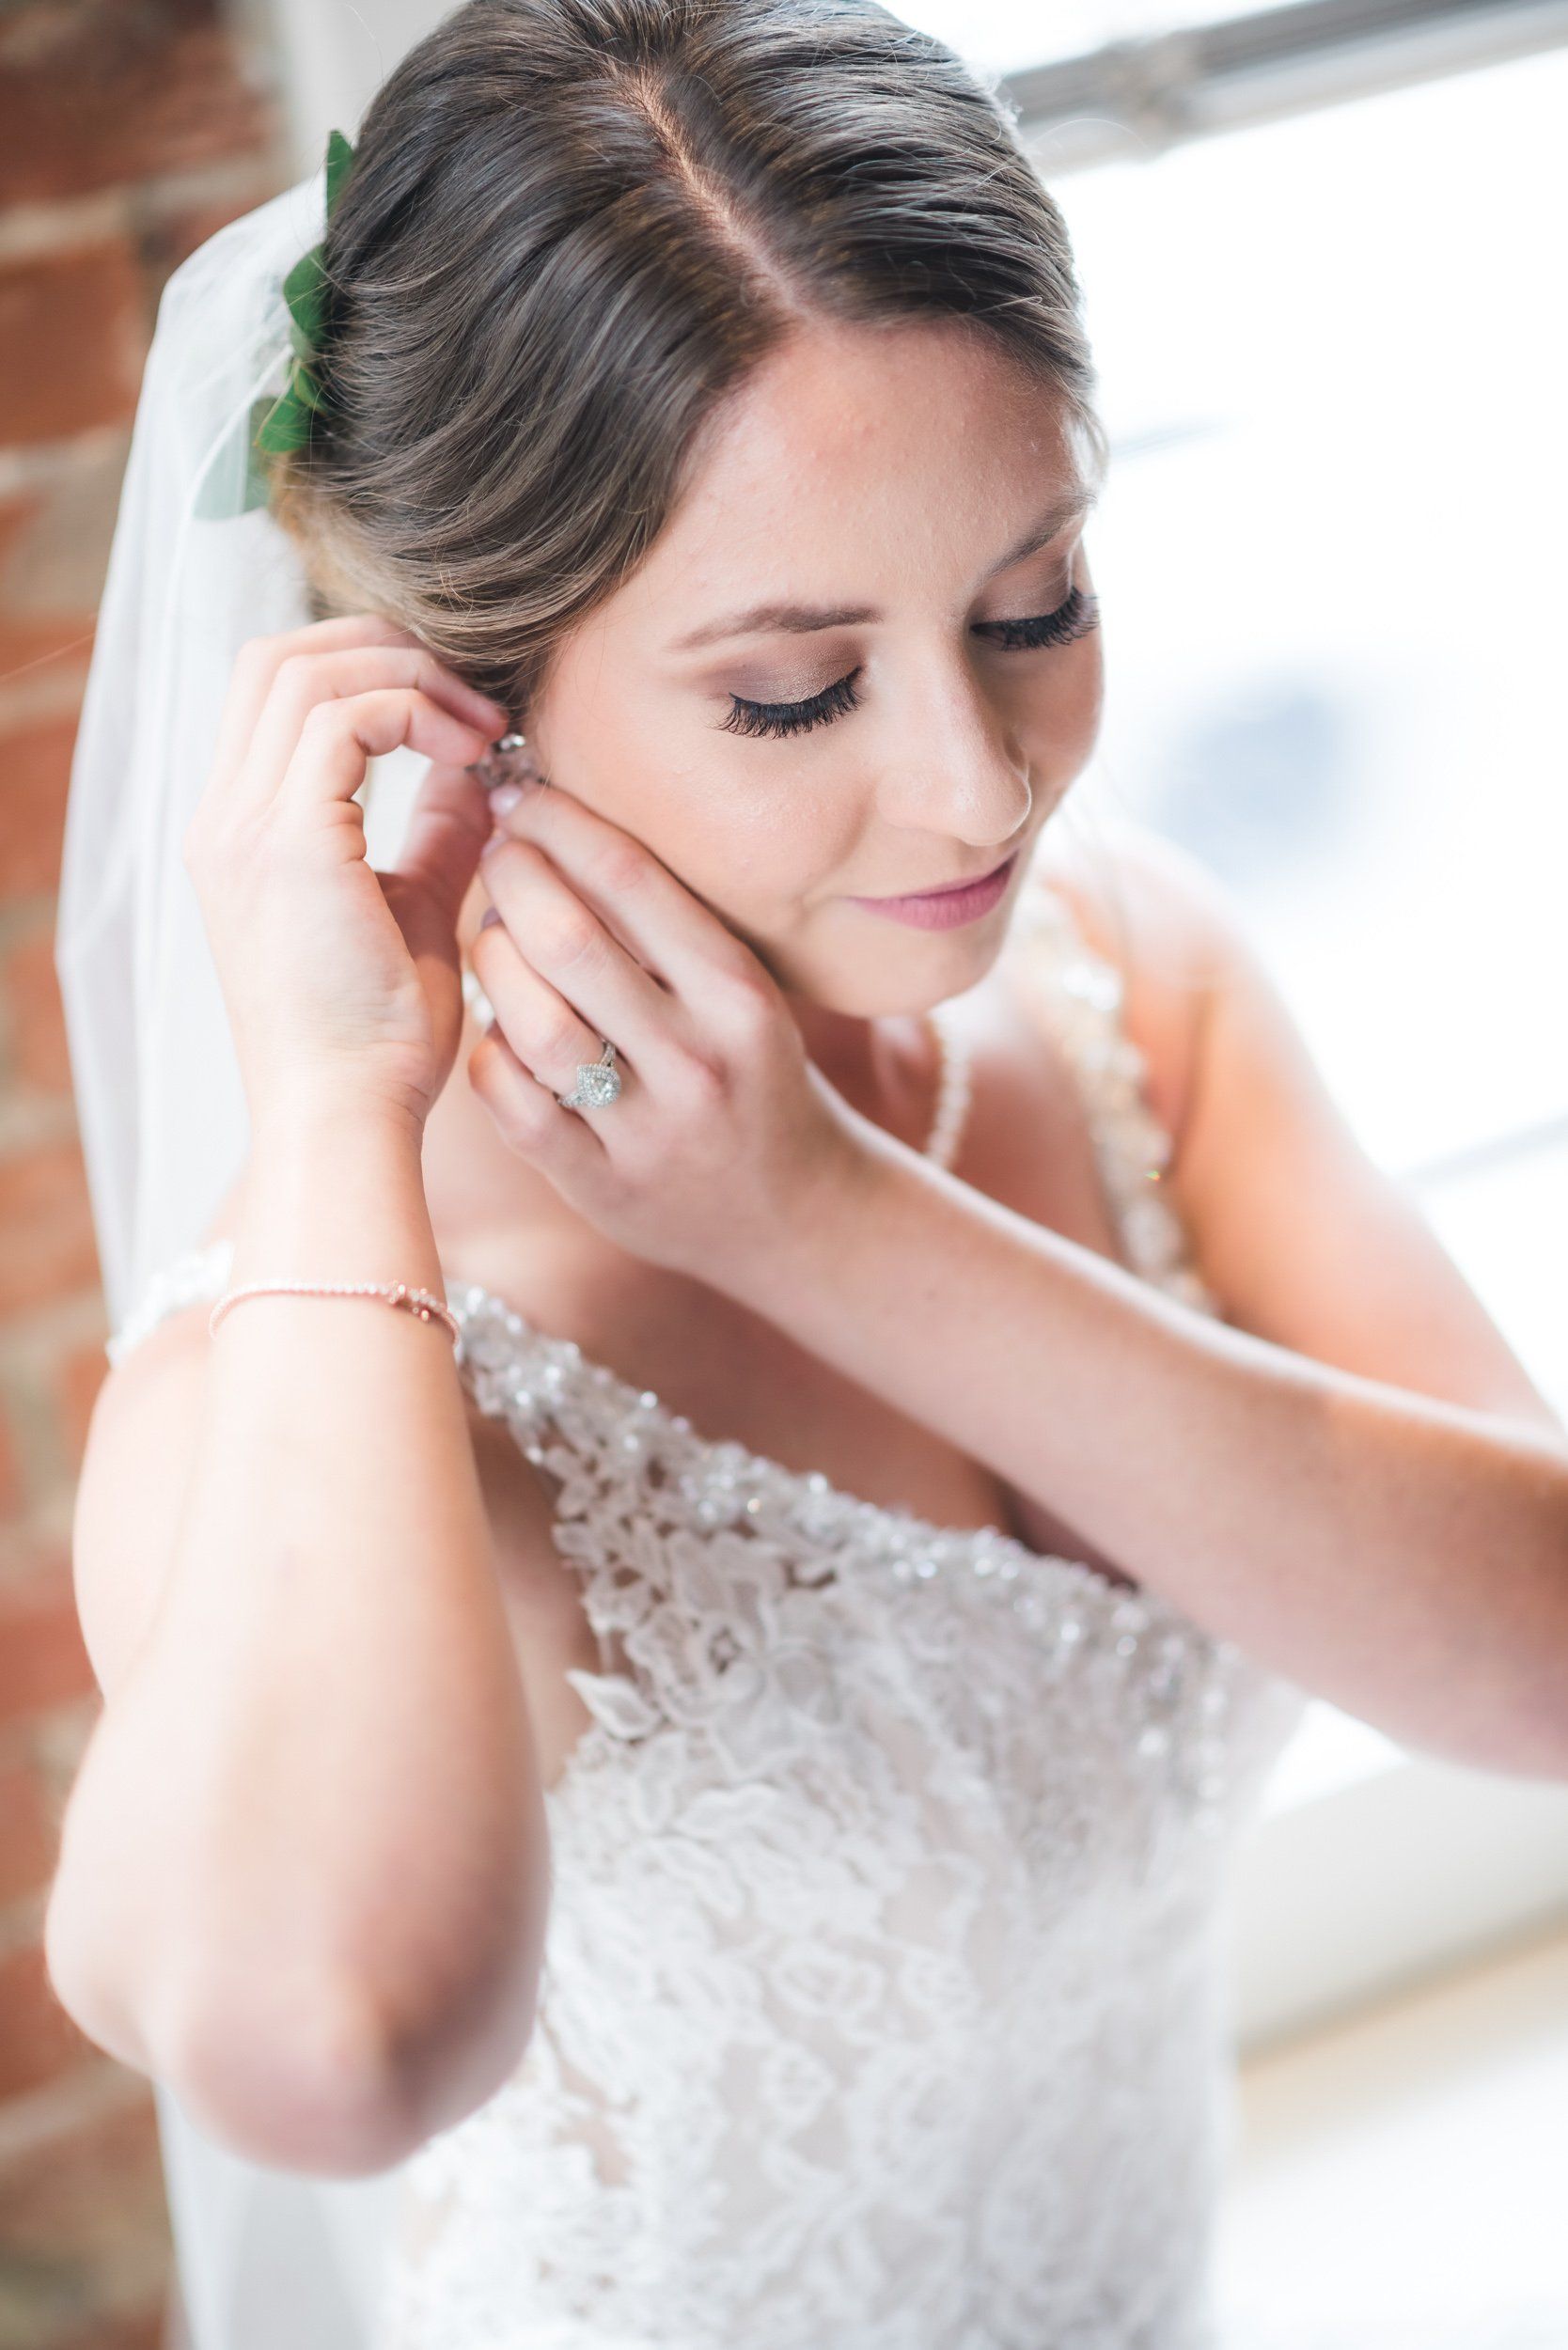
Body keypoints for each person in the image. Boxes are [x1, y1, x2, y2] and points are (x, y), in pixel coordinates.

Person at [46, 3, 1568, 2345]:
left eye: (1034, 605)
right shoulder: (318, 1359)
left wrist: (824, 1221)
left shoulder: (1125, 975)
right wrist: (339, 1109)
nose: (979, 790)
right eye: (794, 692)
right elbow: (330, 2043)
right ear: (469, 686)